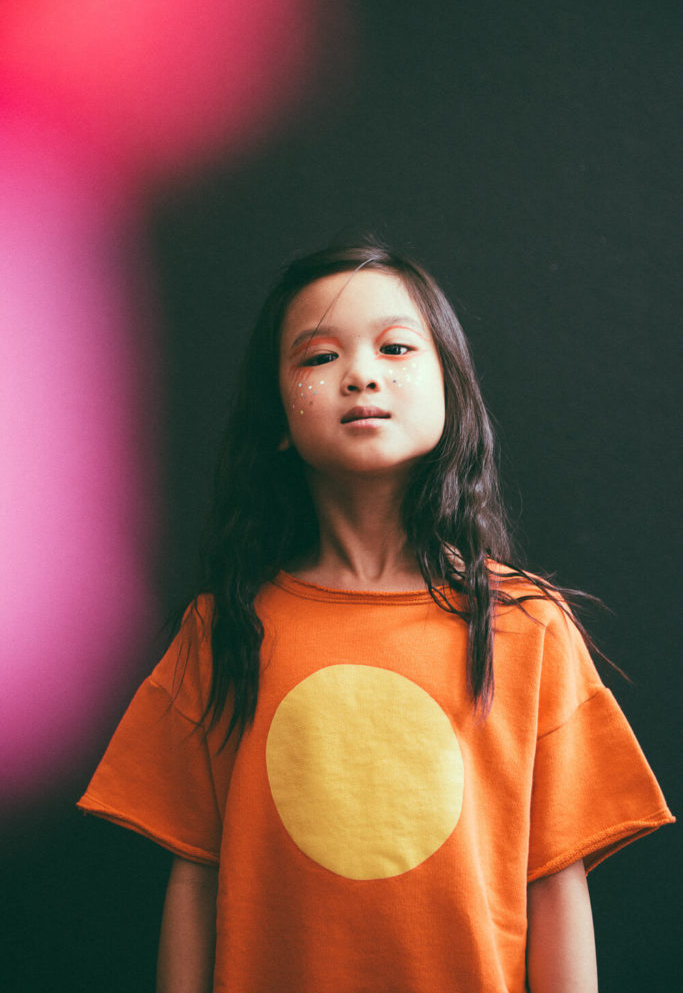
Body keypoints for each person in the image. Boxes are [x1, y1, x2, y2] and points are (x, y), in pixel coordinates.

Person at [78, 240, 674, 993]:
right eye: (317, 357)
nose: (360, 374)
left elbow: (554, 881)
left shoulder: (528, 628)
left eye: (395, 346)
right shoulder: (223, 629)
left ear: (451, 392)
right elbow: (195, 879)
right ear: (278, 422)